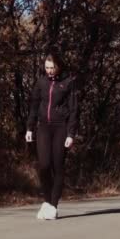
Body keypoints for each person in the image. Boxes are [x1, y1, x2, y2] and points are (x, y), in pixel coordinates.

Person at [26, 54, 78, 220]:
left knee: (58, 166)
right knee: (44, 165)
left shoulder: (68, 83)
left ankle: (53, 205)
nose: (49, 71)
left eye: (52, 67)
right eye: (47, 67)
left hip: (60, 128)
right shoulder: (41, 82)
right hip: (43, 127)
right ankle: (47, 202)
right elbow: (34, 105)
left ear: (59, 66)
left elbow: (74, 110)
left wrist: (71, 133)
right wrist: (29, 128)